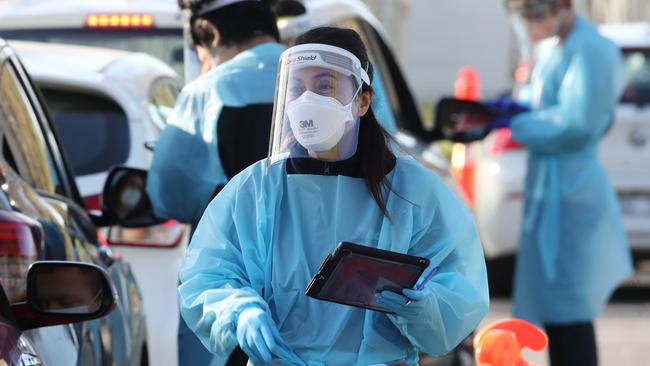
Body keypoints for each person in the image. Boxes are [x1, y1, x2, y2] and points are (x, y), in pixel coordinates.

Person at [178, 26, 489, 365]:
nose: (307, 100)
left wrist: (423, 305)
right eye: (296, 88)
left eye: (325, 86)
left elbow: (460, 287)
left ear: (362, 100)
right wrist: (238, 309)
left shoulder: (410, 190)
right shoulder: (259, 189)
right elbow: (208, 275)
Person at [144, 1, 284, 365]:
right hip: (336, 295)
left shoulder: (209, 89)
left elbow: (168, 194)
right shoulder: (340, 82)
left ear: (213, 36)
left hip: (232, 295)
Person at [496, 1, 634, 365]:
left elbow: (577, 124)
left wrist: (516, 124)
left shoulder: (591, 49)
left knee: (570, 311)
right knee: (557, 312)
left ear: (561, 6)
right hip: (551, 189)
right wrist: (508, 111)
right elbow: (539, 103)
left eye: (534, 13)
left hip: (572, 194)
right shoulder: (553, 46)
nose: (529, 24)